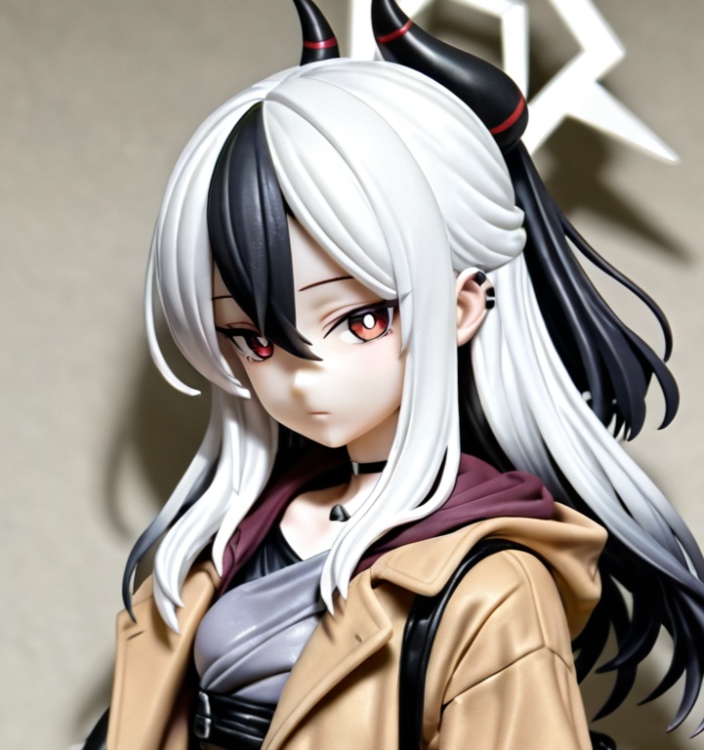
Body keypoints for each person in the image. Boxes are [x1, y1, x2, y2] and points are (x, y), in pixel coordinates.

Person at [94, 1, 704, 748]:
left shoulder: (492, 586)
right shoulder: (231, 540)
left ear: (462, 308)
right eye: (252, 339)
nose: (303, 378)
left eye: (360, 321)